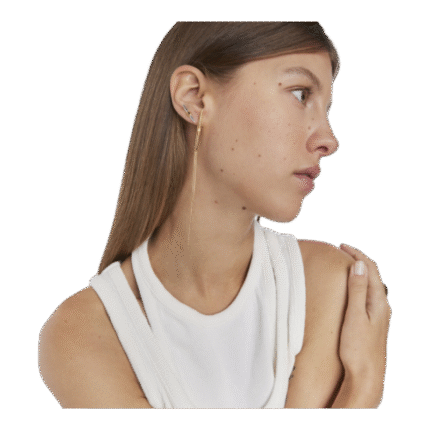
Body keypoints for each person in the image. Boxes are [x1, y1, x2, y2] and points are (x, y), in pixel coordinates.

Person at [37, 21, 391, 409]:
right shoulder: (84, 332)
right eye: (300, 93)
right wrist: (363, 385)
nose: (328, 139)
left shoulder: (329, 282)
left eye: (326, 108)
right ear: (194, 97)